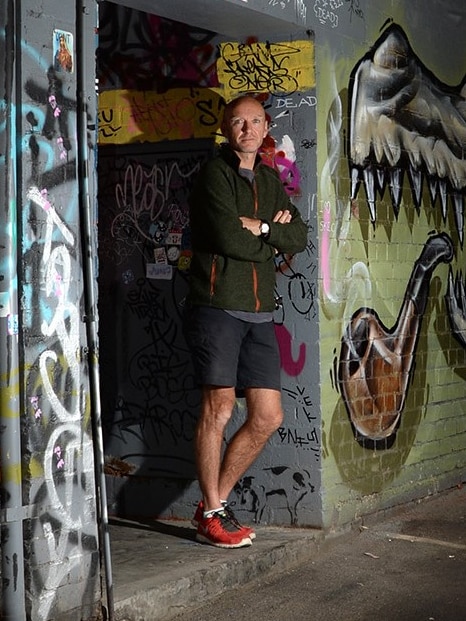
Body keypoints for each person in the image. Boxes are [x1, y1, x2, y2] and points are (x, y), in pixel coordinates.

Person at [184, 94, 308, 548]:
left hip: (259, 313)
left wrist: (263, 229)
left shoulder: (272, 181)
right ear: (225, 127)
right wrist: (267, 241)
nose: (247, 129)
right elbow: (223, 236)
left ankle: (211, 505)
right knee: (217, 410)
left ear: (265, 126)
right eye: (238, 121)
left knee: (268, 416)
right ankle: (214, 511)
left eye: (255, 121)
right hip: (216, 306)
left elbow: (298, 235)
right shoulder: (213, 177)